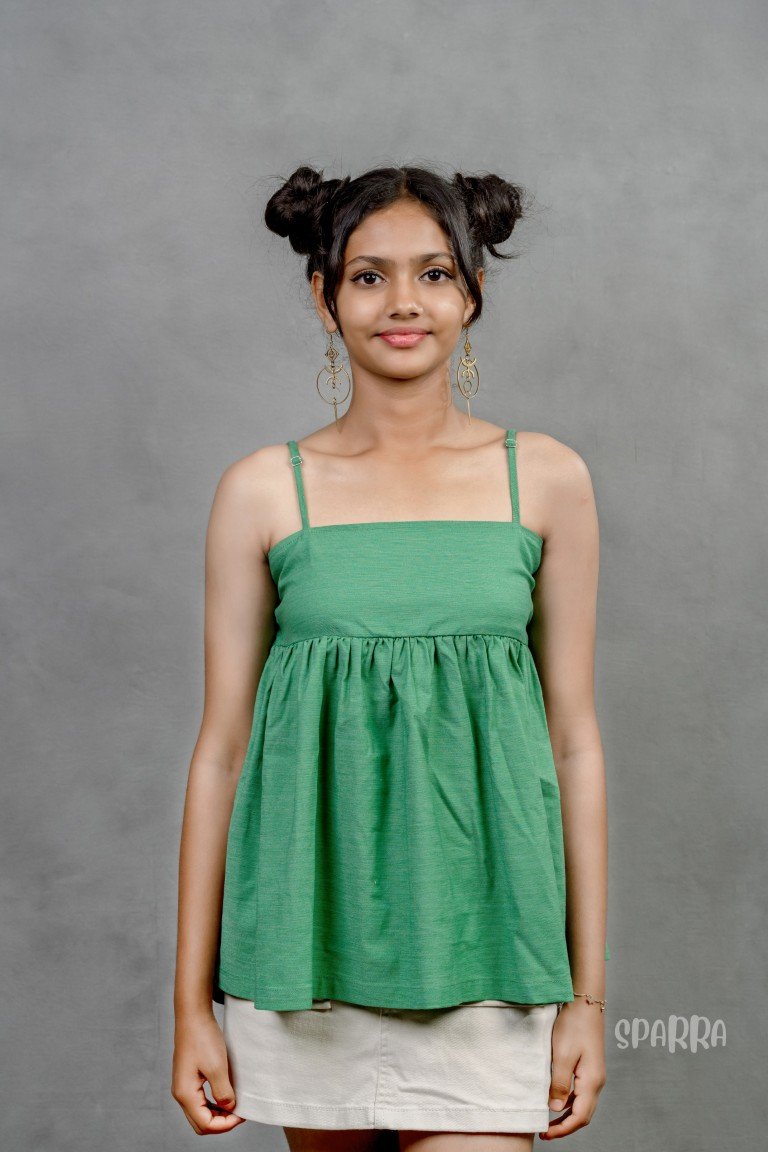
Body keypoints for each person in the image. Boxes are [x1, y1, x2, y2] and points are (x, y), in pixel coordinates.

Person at [171, 164, 609, 1150]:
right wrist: (190, 1004)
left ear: (473, 294)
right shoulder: (262, 490)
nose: (403, 302)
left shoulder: (544, 480)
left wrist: (587, 999)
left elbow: (574, 746)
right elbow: (221, 755)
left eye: (434, 273)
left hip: (494, 958)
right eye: (369, 276)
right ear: (323, 297)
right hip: (305, 964)